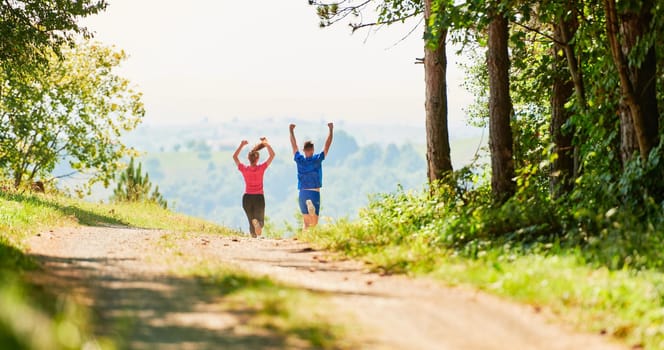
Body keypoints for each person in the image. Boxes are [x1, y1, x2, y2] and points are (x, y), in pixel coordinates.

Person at [289, 123, 333, 229]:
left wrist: (291, 131)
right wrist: (331, 130)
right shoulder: (317, 159)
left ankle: (304, 239)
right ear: (312, 150)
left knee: (306, 222)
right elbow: (327, 146)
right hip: (314, 192)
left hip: (303, 192)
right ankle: (312, 211)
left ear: (303, 150)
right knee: (314, 223)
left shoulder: (300, 160)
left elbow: (294, 145)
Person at [233, 137, 275, 237]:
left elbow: (235, 157)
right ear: (257, 159)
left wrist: (241, 145)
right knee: (260, 222)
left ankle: (253, 237)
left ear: (248, 158)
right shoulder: (261, 168)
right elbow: (272, 155)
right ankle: (258, 224)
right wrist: (266, 143)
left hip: (247, 198)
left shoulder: (244, 169)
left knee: (251, 223)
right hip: (258, 197)